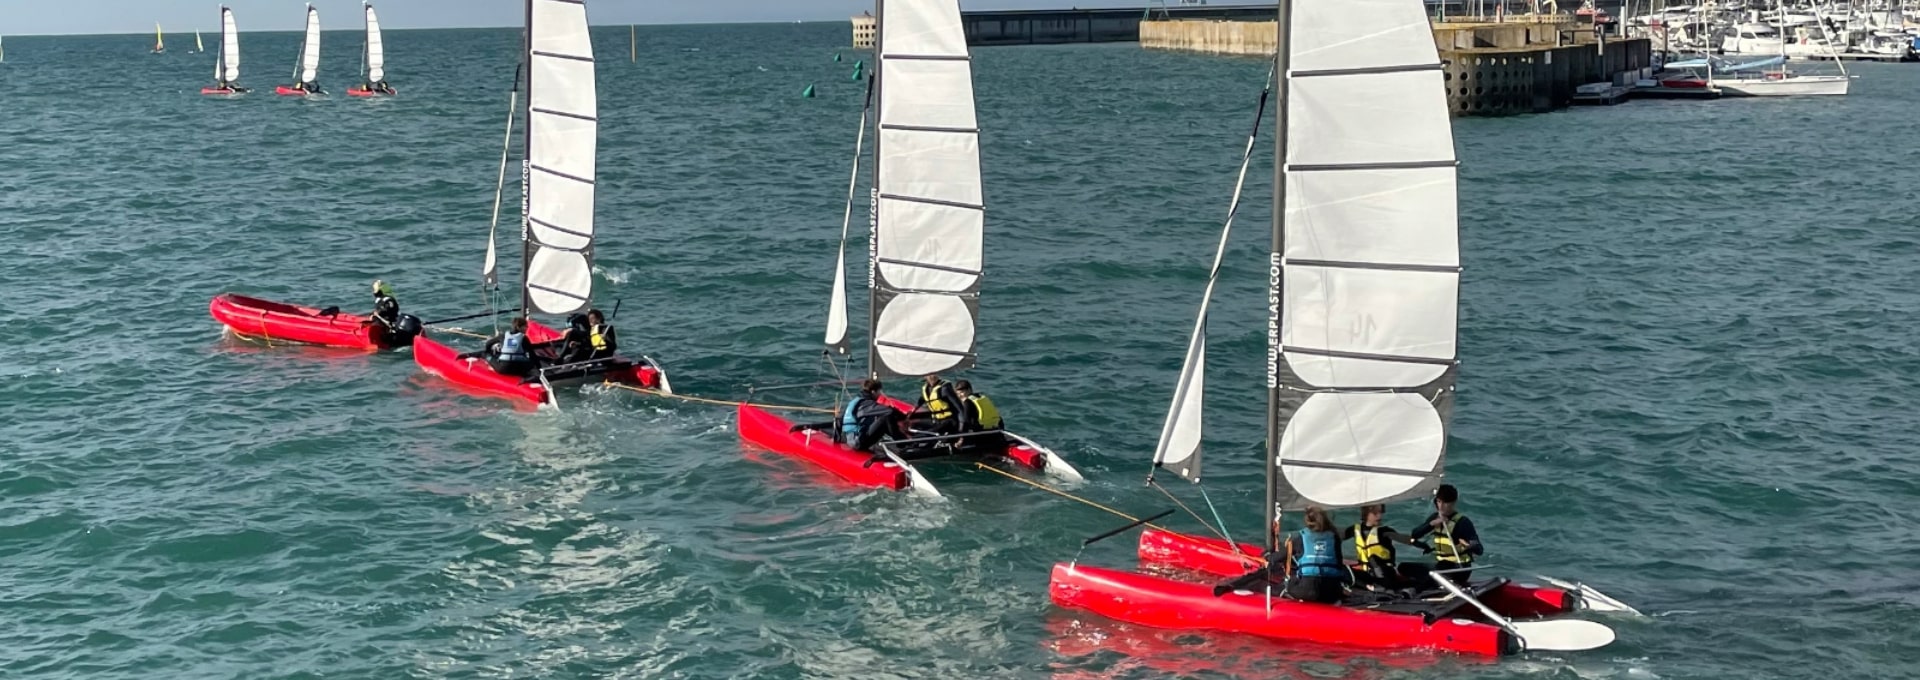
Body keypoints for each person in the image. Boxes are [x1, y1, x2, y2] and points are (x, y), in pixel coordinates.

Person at [1404, 484, 1484, 587]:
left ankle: (1417, 589)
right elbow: (1415, 534)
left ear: (1453, 503)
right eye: (1438, 501)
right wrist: (1431, 524)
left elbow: (1479, 549)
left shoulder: (1462, 522)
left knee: (1438, 569)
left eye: (1445, 503)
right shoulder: (1435, 518)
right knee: (1404, 567)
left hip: (1459, 569)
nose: (1441, 506)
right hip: (1441, 567)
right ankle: (1427, 585)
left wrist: (1469, 545)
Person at [1274, 506, 1346, 604]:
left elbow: (1278, 557)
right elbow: (1339, 564)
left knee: (1288, 582)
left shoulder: (1302, 538)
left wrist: (1268, 556)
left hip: (1308, 592)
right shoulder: (1334, 537)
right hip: (1332, 593)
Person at [1344, 504, 1420, 593]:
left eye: (1380, 512)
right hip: (1367, 573)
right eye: (1375, 513)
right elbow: (1336, 536)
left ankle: (1383, 587)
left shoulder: (1383, 531)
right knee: (1342, 568)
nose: (1379, 516)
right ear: (1365, 513)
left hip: (1385, 573)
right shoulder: (1355, 530)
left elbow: (1403, 538)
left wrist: (1415, 541)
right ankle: (1369, 587)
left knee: (1373, 558)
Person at [840, 379, 904, 452]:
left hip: (849, 438)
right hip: (858, 443)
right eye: (879, 391)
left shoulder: (855, 401)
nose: (880, 394)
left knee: (881, 417)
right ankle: (902, 442)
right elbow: (889, 411)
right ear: (873, 392)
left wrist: (838, 439)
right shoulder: (867, 404)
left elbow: (839, 420)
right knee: (886, 417)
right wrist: (904, 417)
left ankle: (901, 439)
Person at [464, 317, 536, 377]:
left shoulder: (503, 335)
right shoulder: (524, 338)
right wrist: (537, 369)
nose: (527, 328)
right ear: (519, 327)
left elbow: (488, 344)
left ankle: (469, 355)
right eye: (525, 327)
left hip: (502, 369)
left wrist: (490, 353)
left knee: (484, 354)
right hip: (518, 370)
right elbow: (532, 355)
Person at [952, 380, 1005, 451]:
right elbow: (998, 418)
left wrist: (961, 440)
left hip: (981, 435)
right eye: (957, 394)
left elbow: (966, 422)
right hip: (994, 431)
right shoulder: (982, 397)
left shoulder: (968, 402)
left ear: (969, 390)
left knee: (953, 440)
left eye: (962, 392)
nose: (960, 396)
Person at [368, 279, 401, 344]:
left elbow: (387, 310)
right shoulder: (382, 299)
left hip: (389, 324)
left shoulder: (388, 300)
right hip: (384, 323)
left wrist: (377, 313)